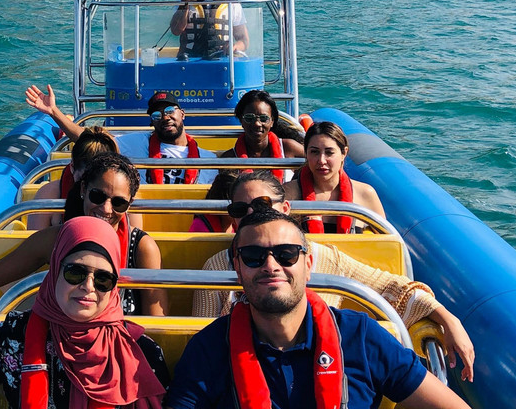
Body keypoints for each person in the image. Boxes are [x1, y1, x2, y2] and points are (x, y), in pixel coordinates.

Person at [166, 209, 472, 409]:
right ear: (237, 268)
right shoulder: (207, 350)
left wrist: (447, 317)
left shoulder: (360, 336)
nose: (271, 266)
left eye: (286, 254)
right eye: (253, 256)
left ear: (308, 264)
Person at [191, 171, 475, 382]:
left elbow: (391, 289)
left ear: (286, 208)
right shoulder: (215, 268)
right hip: (243, 374)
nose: (253, 214)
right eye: (241, 209)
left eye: (263, 205)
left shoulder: (325, 257)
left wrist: (448, 318)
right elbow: (201, 338)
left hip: (320, 367)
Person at [0, 154, 166, 370]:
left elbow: (155, 325)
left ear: (129, 204)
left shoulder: (141, 248)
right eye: (98, 196)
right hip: (56, 353)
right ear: (83, 190)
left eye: (118, 203)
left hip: (115, 358)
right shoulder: (55, 239)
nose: (106, 209)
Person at [0, 216, 169, 409]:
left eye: (103, 279)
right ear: (54, 272)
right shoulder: (12, 338)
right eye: (75, 272)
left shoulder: (140, 354)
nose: (88, 286)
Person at [25, 85, 216, 186]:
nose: (165, 117)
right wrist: (53, 112)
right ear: (151, 122)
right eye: (157, 115)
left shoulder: (209, 159)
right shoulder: (136, 143)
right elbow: (91, 140)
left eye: (169, 110)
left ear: (182, 113)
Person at [285, 121, 386, 233]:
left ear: (344, 153)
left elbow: (388, 244)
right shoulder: (288, 194)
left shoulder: (365, 194)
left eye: (329, 153)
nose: (321, 160)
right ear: (306, 153)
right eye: (314, 152)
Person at [28, 127, 119, 230]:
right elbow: (36, 243)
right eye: (85, 181)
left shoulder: (125, 201)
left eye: (101, 185)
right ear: (72, 168)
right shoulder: (48, 196)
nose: (88, 191)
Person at [222, 89, 304, 181]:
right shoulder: (229, 158)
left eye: (263, 118)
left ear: (272, 121)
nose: (257, 123)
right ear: (241, 120)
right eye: (249, 118)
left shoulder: (289, 148)